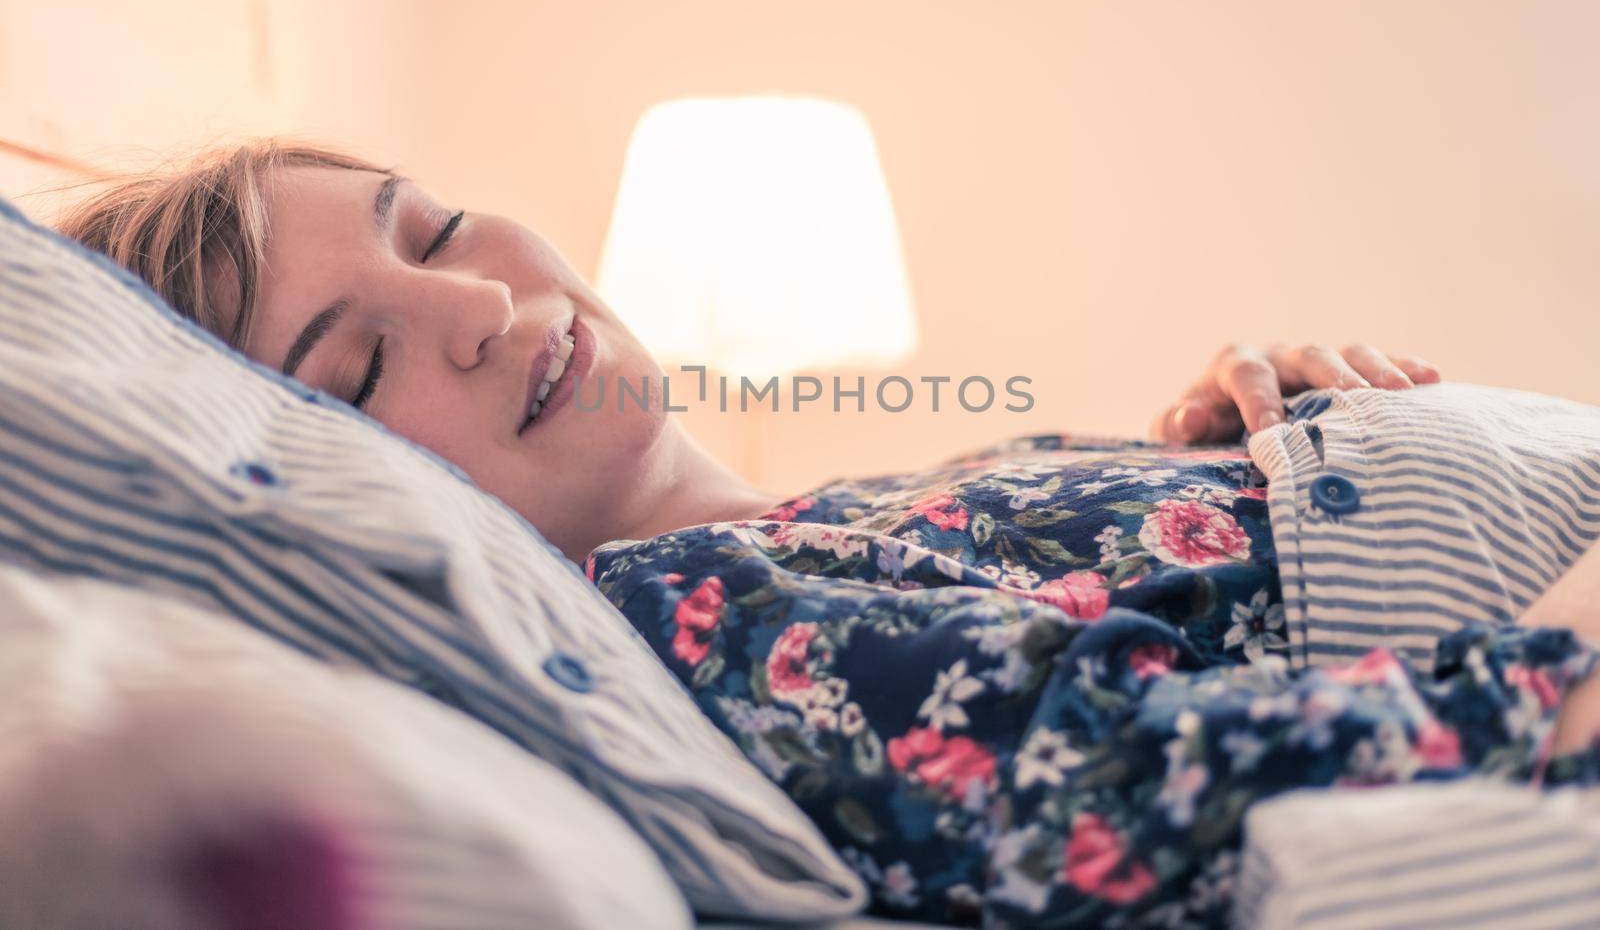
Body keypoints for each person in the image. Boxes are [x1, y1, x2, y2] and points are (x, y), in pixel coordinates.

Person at [55, 141, 1600, 927]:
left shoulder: (826, 519)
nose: (470, 302)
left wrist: (1210, 443)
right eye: (357, 364)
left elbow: (1084, 613)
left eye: (438, 227)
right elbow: (1153, 781)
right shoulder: (703, 619)